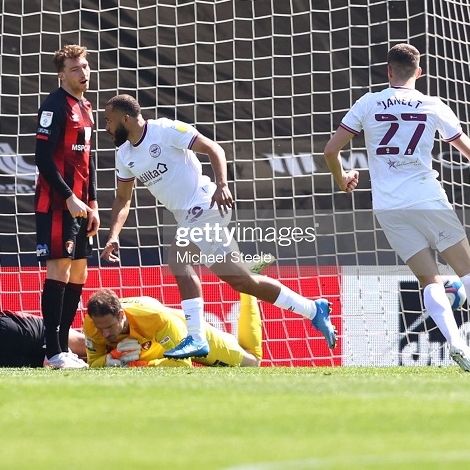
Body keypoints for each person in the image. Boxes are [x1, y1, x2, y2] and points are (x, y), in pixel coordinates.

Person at [323, 43, 470, 372]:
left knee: (430, 281)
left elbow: (330, 149)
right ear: (419, 72)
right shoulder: (432, 105)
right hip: (427, 198)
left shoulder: (368, 103)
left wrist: (342, 177)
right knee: (468, 273)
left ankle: (455, 344)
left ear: (388, 71)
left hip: (388, 207)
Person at [100, 94, 337, 359]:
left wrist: (222, 185)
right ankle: (313, 310)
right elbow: (123, 198)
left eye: (109, 121)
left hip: (205, 202)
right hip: (188, 216)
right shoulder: (125, 155)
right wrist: (114, 236)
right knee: (243, 281)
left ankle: (196, 337)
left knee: (178, 259)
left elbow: (214, 148)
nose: (106, 127)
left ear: (126, 118)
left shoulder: (165, 130)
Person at [33, 44, 98, 369]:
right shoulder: (54, 107)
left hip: (81, 207)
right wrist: (69, 196)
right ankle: (52, 350)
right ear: (62, 74)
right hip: (57, 205)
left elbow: (89, 161)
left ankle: (63, 347)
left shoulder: (86, 107)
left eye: (85, 67)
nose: (83, 73)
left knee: (79, 272)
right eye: (75, 69)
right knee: (58, 269)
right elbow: (42, 157)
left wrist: (93, 203)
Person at [83, 288, 263, 368]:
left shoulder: (153, 316)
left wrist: (140, 365)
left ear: (121, 315)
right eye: (101, 328)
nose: (105, 334)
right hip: (155, 348)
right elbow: (94, 363)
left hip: (182, 331)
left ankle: (248, 287)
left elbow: (183, 363)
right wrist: (110, 359)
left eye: (109, 327)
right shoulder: (92, 325)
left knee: (252, 361)